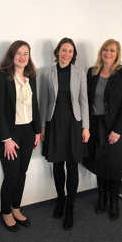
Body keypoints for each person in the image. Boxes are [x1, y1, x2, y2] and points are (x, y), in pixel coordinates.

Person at [39, 37, 90, 230]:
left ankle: (71, 206)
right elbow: (43, 101)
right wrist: (43, 126)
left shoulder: (79, 72)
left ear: (73, 54)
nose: (66, 53)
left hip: (74, 124)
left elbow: (84, 100)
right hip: (54, 123)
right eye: (63, 50)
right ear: (57, 52)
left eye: (70, 51)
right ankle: (60, 199)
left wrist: (86, 127)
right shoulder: (47, 72)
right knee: (58, 164)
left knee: (72, 165)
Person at [0, 40, 41, 232]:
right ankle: (5, 211)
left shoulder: (31, 76)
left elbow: (34, 105)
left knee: (22, 173)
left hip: (28, 132)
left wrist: (37, 131)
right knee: (11, 175)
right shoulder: (2, 75)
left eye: (26, 53)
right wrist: (6, 139)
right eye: (19, 53)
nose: (22, 57)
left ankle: (16, 207)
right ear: (12, 55)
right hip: (9, 134)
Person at [84, 39, 122, 220]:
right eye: (105, 49)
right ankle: (102, 198)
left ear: (117, 53)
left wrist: (118, 130)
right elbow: (86, 100)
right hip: (97, 126)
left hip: (116, 127)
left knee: (114, 165)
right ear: (101, 52)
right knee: (100, 163)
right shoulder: (92, 72)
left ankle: (114, 202)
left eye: (112, 50)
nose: (108, 53)